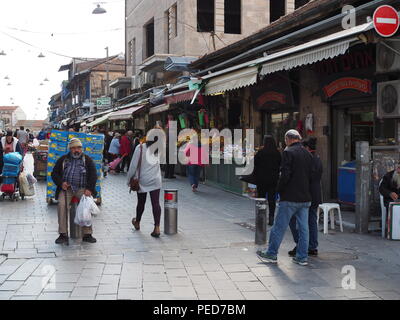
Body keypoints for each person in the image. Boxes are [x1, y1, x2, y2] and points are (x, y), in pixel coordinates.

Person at [257, 129, 313, 266]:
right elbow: (311, 175)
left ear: (288, 139)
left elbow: (285, 175)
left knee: (279, 226)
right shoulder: (307, 153)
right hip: (305, 197)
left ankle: (271, 253)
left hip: (290, 197)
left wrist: (279, 190)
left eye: (285, 140)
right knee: (304, 229)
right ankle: (302, 257)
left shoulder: (288, 152)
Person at [51, 138, 98, 244]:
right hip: (67, 188)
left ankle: (87, 233)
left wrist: (89, 189)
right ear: (70, 149)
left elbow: (93, 175)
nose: (76, 150)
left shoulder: (87, 160)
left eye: (78, 148)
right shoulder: (63, 159)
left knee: (86, 206)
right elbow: (54, 174)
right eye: (74, 148)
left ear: (81, 149)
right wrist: (61, 183)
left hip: (82, 188)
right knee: (61, 205)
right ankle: (63, 233)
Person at [288, 137, 323, 257]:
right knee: (311, 220)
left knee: (294, 219)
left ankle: (301, 244)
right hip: (316, 194)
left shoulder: (307, 159)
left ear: (307, 148)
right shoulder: (317, 158)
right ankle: (312, 246)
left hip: (305, 194)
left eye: (303, 147)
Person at [127, 136, 162, 237]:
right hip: (155, 179)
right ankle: (157, 227)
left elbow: (133, 165)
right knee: (156, 203)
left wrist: (129, 179)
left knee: (141, 203)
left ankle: (137, 222)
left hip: (143, 179)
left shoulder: (140, 148)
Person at [254, 135, 282, 225]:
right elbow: (280, 164)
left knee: (261, 198)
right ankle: (271, 217)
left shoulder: (260, 152)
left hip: (261, 179)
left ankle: (261, 217)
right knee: (271, 199)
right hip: (273, 179)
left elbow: (255, 163)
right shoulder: (277, 153)